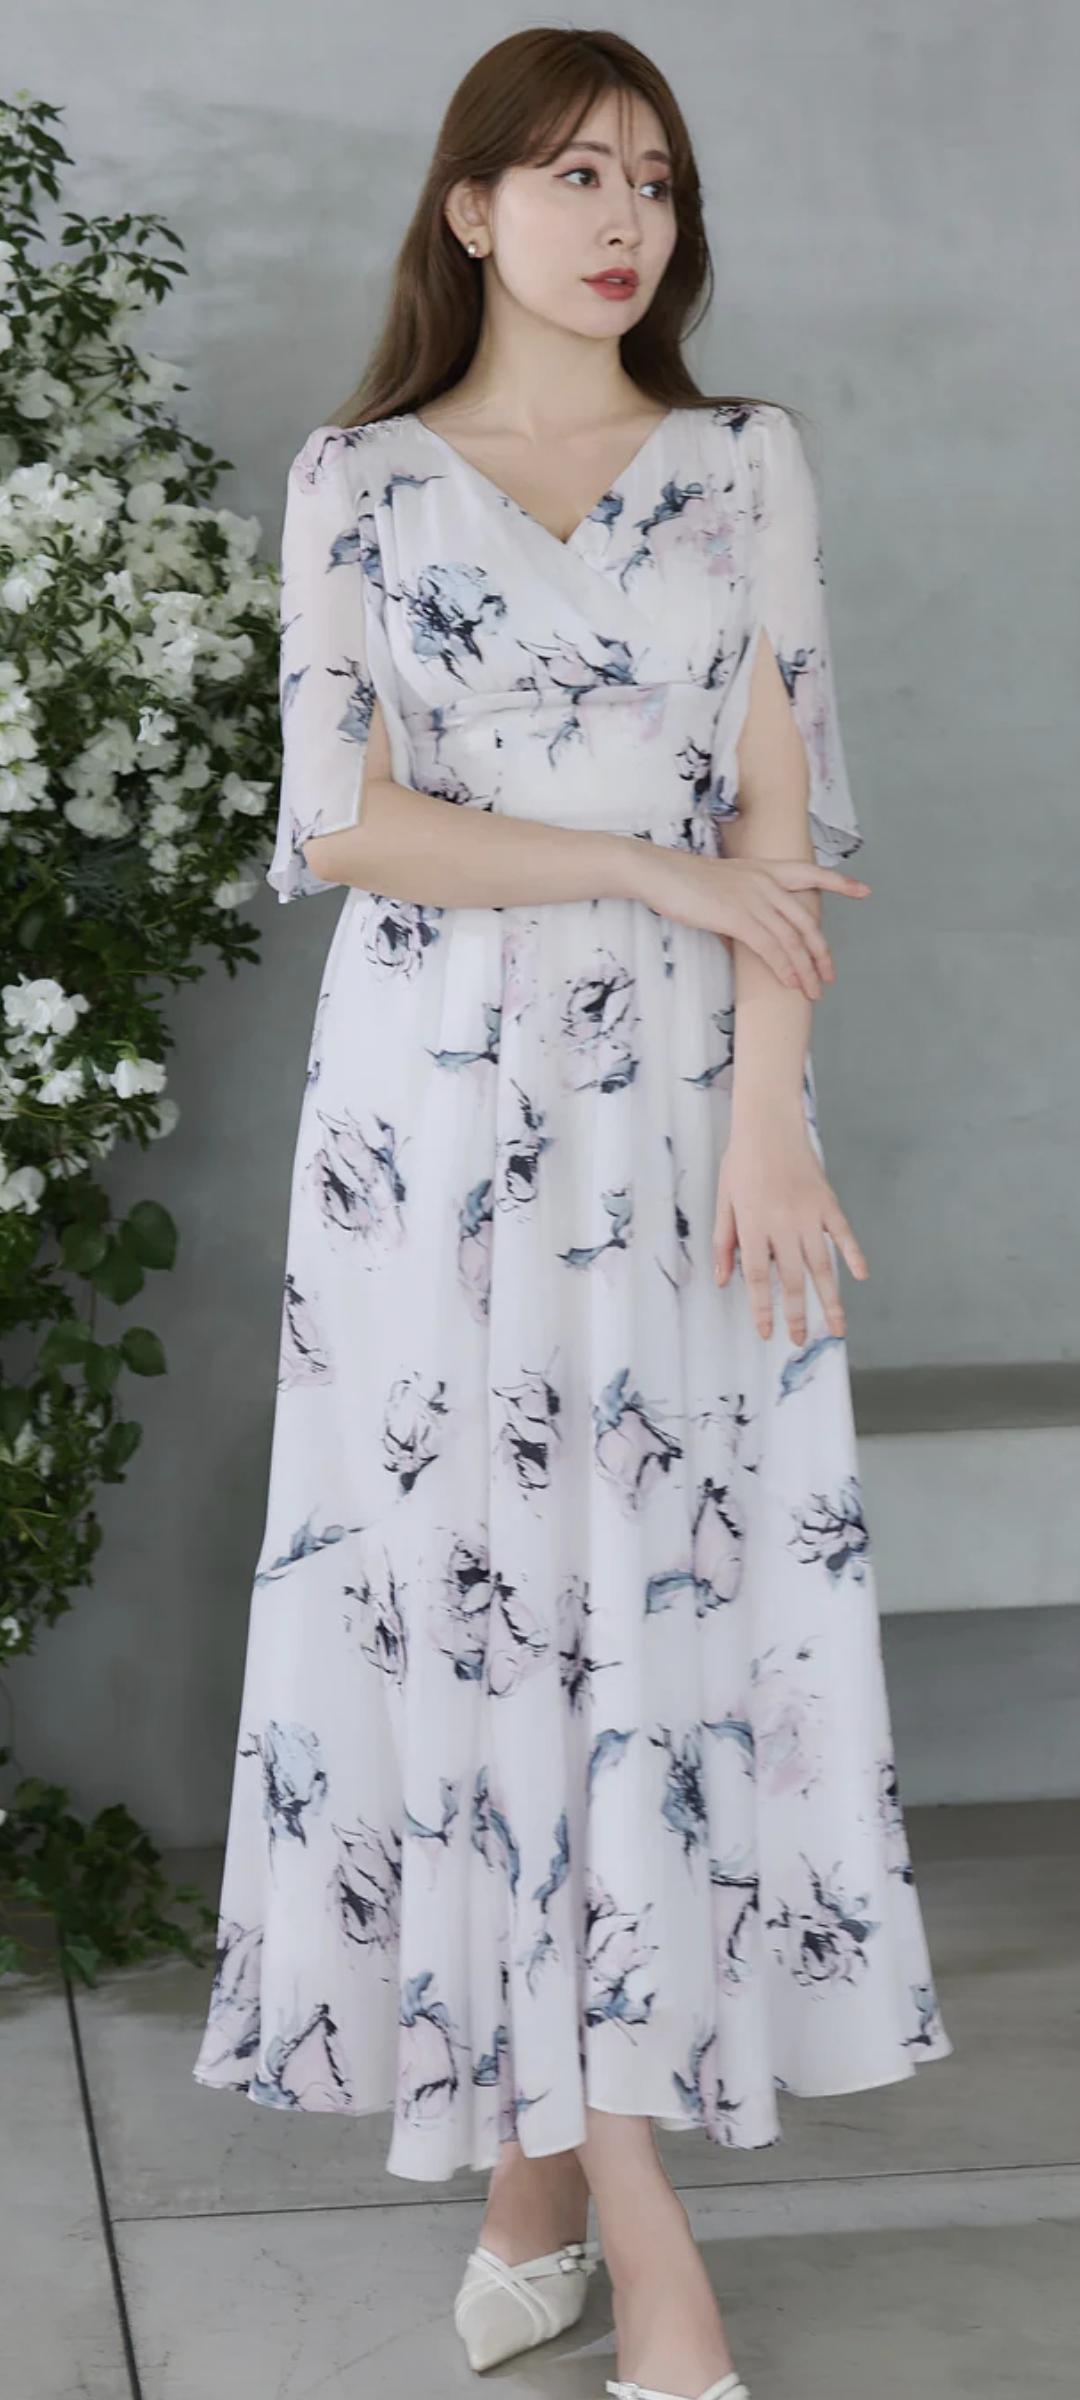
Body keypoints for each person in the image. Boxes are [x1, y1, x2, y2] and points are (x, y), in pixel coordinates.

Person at [192, 28, 953, 2400]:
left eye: (655, 179)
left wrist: (772, 1124)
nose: (625, 219)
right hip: (428, 1122)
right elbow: (343, 823)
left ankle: (536, 2174)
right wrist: (643, 866)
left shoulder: (743, 468)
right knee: (481, 1611)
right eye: (573, 175)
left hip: (688, 1126)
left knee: (652, 1626)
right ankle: (644, 2234)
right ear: (470, 210)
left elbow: (783, 824)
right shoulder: (361, 481)